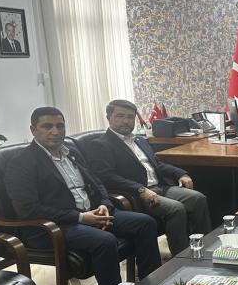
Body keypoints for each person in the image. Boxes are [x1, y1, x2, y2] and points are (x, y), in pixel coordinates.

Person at [4, 107, 161, 285]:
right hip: (55, 226)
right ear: (33, 130)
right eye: (47, 126)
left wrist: (104, 203)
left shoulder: (72, 152)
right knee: (105, 240)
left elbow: (97, 182)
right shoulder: (21, 163)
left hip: (93, 213)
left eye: (60, 126)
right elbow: (27, 209)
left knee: (145, 223)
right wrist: (80, 217)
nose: (55, 131)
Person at [88, 99, 211, 256]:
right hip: (136, 195)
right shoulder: (100, 144)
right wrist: (140, 189)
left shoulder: (139, 140)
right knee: (175, 208)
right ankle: (182, 258)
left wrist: (180, 173)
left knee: (198, 199)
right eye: (120, 116)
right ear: (108, 118)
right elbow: (107, 177)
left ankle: (205, 249)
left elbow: (157, 164)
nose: (126, 121)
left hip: (160, 188)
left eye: (130, 117)